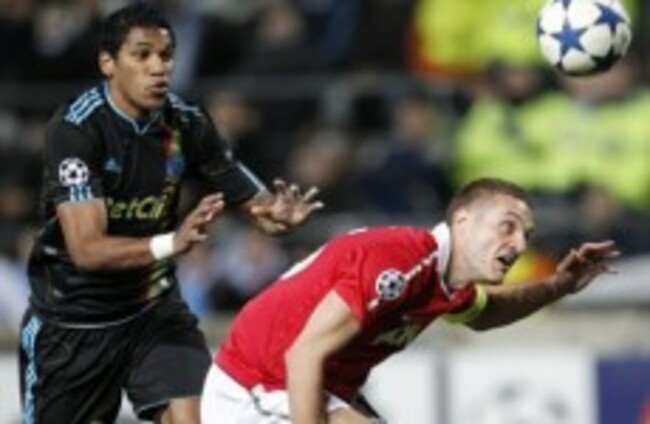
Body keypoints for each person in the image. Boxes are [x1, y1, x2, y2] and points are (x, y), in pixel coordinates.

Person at [18, 4, 322, 424]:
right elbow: (86, 249)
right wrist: (171, 242)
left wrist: (275, 214)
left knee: (192, 416)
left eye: (165, 55)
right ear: (108, 63)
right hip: (73, 323)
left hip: (153, 312)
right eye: (142, 55)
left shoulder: (187, 122)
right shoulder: (76, 130)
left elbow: (255, 204)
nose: (158, 67)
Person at [201, 177, 619, 423]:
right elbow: (303, 355)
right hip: (255, 384)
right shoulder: (401, 263)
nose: (519, 244)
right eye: (507, 226)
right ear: (462, 221)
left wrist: (561, 284)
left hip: (301, 385)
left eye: (526, 236)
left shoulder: (439, 281)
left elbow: (488, 312)